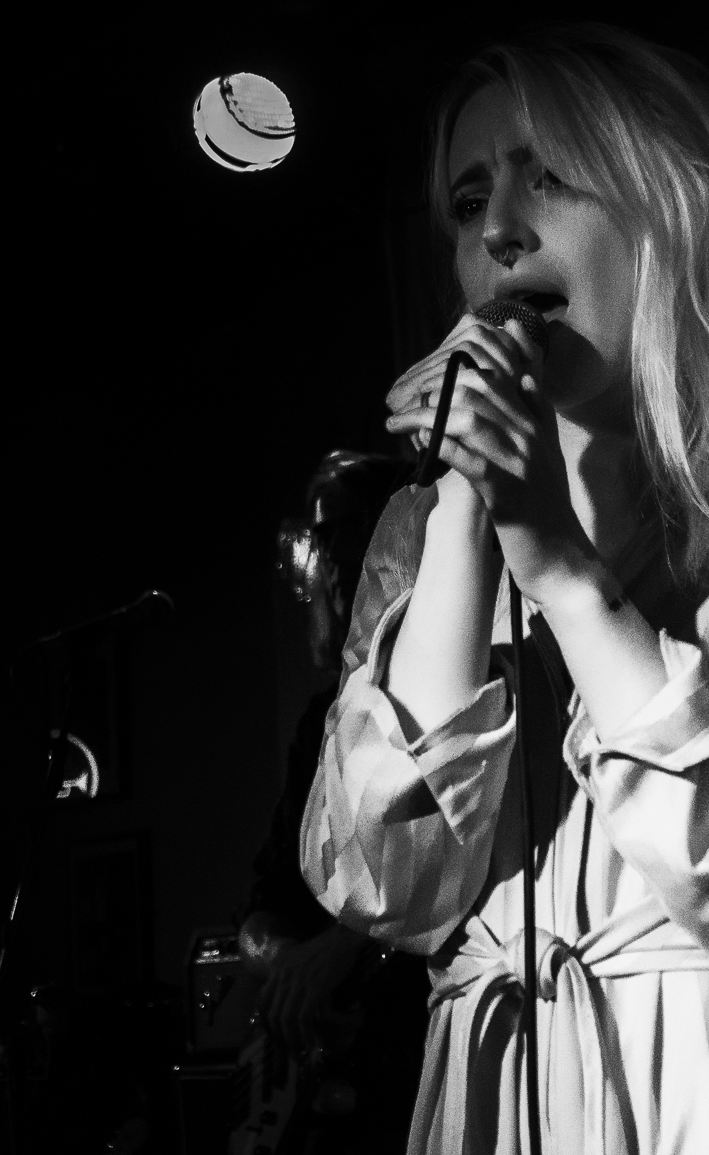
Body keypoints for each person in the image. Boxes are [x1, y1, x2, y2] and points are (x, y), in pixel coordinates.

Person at [299, 25, 709, 1154]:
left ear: (673, 211)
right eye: (468, 205)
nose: (502, 230)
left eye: (548, 177)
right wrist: (470, 511)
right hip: (488, 1103)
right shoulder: (421, 534)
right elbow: (389, 889)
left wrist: (560, 567)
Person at [240, 448, 428, 1152]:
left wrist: (346, 950)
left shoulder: (445, 687)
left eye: (356, 542)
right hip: (330, 1078)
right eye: (328, 553)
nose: (337, 573)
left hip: (418, 1054)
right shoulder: (319, 721)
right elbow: (264, 901)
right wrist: (286, 961)